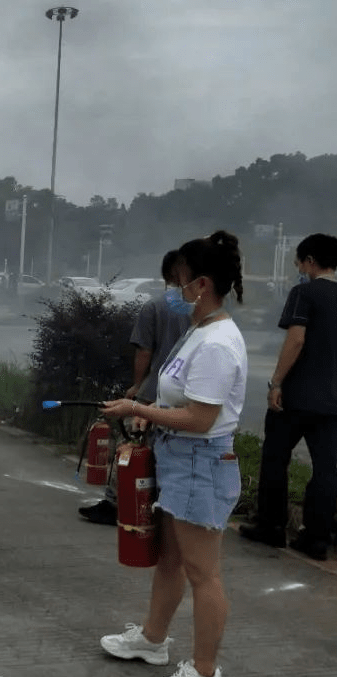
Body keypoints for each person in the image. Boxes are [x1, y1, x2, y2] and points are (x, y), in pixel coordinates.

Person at [99, 230, 248, 677]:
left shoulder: (218, 342)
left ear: (201, 285)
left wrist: (138, 408)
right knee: (169, 559)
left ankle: (204, 669)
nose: (174, 292)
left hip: (202, 462)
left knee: (204, 572)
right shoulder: (197, 331)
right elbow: (180, 403)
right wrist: (153, 415)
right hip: (180, 458)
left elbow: (201, 419)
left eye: (180, 282)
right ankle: (152, 639)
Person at [240, 233, 337, 561]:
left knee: (275, 458)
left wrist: (276, 382)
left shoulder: (304, 293)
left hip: (295, 397)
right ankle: (318, 538)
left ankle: (271, 527)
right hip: (332, 401)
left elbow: (295, 340)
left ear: (310, 261)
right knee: (327, 468)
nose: (298, 267)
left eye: (299, 261)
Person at [79, 250, 191, 525]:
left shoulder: (154, 307)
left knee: (131, 445)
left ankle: (116, 503)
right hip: (188, 395)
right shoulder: (200, 310)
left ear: (166, 275)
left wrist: (136, 386)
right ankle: (163, 505)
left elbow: (144, 351)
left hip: (154, 390)